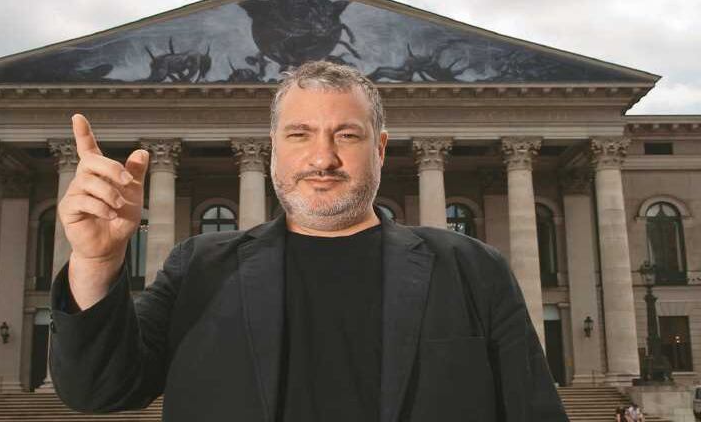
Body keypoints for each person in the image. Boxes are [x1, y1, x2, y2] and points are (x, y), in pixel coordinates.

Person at [49, 61, 569, 421]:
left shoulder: (472, 270)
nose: (323, 158)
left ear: (381, 148)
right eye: (299, 135)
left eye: (346, 135)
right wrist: (97, 260)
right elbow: (99, 388)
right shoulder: (198, 268)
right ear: (272, 148)